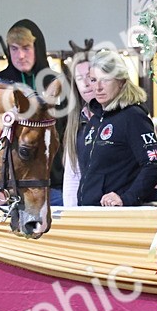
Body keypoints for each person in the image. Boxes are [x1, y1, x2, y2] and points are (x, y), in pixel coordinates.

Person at [0, 19, 68, 206]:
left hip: (53, 186)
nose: (20, 55)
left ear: (38, 48)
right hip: (8, 189)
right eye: (14, 49)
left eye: (26, 48)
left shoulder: (58, 83)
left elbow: (70, 132)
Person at [77, 49, 157, 207]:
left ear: (121, 81)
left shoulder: (133, 116)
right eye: (94, 80)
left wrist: (127, 198)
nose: (98, 87)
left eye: (106, 80)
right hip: (90, 213)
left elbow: (153, 164)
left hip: (116, 215)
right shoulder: (94, 121)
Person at [60, 52, 97, 207]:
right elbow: (72, 177)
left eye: (89, 76)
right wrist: (72, 215)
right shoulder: (76, 121)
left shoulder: (126, 115)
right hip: (86, 208)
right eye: (79, 78)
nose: (86, 83)